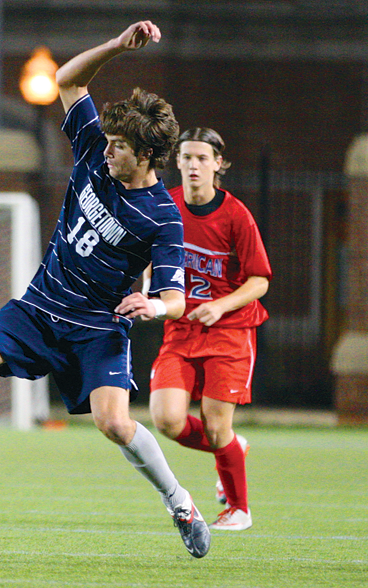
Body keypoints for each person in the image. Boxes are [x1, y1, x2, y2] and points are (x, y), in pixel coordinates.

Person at [0, 21, 211, 558]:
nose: (109, 150)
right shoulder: (91, 151)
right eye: (109, 140)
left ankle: (180, 502)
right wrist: (116, 48)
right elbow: (68, 81)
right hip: (39, 308)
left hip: (98, 328)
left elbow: (178, 298)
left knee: (115, 423)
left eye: (121, 145)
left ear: (146, 156)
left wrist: (153, 304)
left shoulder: (163, 218)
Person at [147, 128, 271, 532]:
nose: (194, 165)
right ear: (177, 161)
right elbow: (152, 255)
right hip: (180, 330)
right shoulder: (166, 205)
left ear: (219, 164)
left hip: (230, 331)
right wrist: (153, 296)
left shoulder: (236, 215)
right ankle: (232, 448)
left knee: (217, 425)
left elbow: (259, 281)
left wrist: (219, 305)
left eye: (202, 158)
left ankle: (239, 509)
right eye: (187, 157)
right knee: (166, 420)